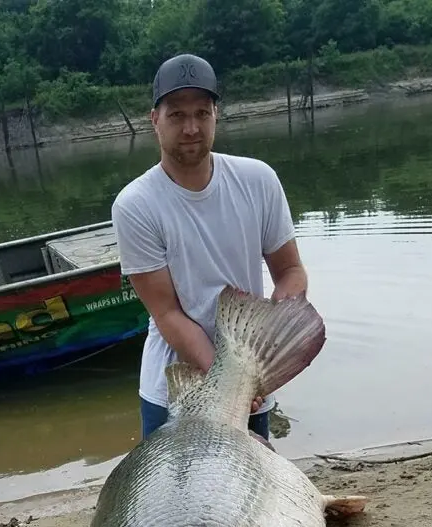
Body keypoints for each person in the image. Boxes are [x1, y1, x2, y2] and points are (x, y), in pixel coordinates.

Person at [111, 53, 311, 442]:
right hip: (174, 388)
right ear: (154, 120)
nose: (191, 128)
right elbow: (167, 313)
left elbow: (290, 272)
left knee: (253, 498)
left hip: (251, 376)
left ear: (216, 115)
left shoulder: (258, 180)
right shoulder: (135, 205)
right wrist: (229, 376)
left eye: (202, 113)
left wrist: (272, 345)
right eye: (176, 115)